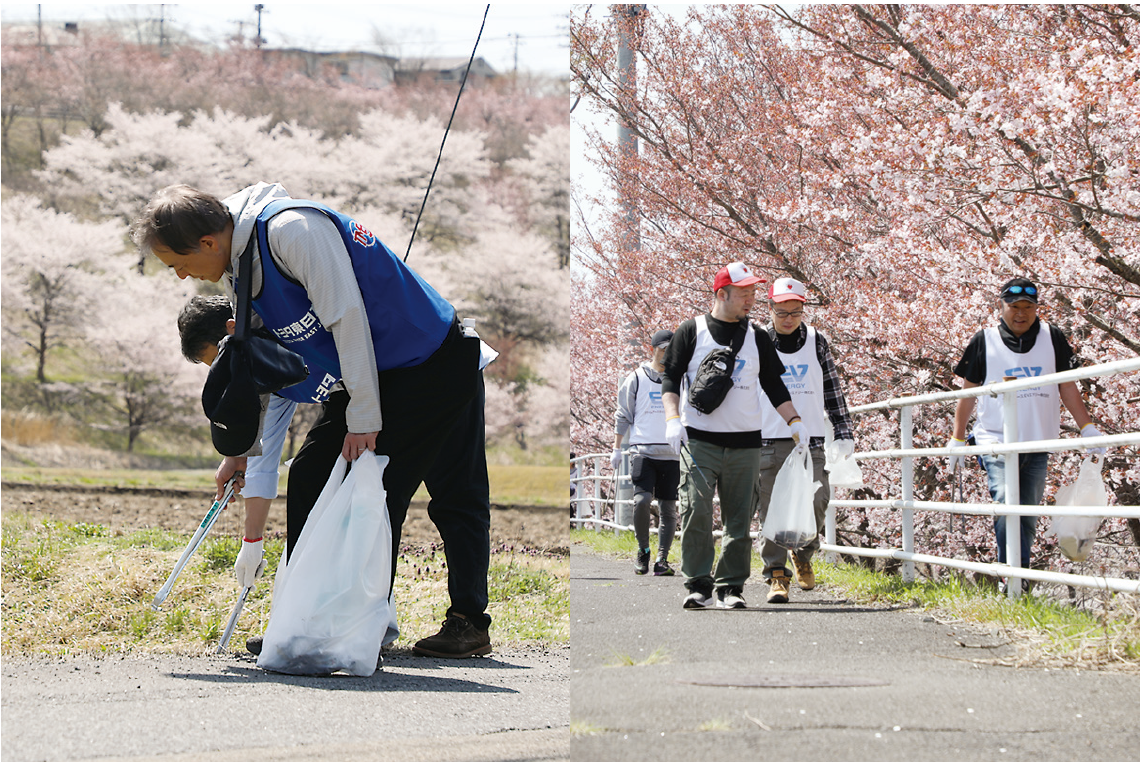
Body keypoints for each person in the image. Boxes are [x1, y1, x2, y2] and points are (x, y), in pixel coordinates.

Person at [132, 182, 493, 658]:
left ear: (208, 242)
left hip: (429, 362)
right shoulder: (238, 264)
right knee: (309, 472)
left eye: (178, 264)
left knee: (391, 488)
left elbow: (347, 317)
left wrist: (364, 416)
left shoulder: (291, 231)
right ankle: (304, 619)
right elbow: (251, 361)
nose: (181, 276)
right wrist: (240, 452)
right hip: (375, 374)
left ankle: (392, 626)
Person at [661, 262, 806, 610]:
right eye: (745, 293)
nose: (751, 299)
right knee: (695, 509)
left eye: (754, 292)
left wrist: (795, 421)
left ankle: (730, 587)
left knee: (739, 519)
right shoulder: (690, 330)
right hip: (699, 439)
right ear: (721, 294)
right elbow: (671, 378)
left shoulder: (756, 336)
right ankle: (698, 583)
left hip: (746, 442)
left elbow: (774, 384)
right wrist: (671, 419)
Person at [948, 277, 1103, 579]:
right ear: (1001, 306)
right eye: (1014, 306)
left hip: (1037, 441)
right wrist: (957, 436)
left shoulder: (1051, 336)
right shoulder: (985, 339)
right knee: (1007, 501)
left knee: (1027, 514)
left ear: (1036, 309)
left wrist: (1086, 427)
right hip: (996, 440)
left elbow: (1067, 386)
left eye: (1028, 307)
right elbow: (967, 392)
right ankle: (1012, 578)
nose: (1021, 313)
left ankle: (1021, 579)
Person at [755, 278, 856, 604]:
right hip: (769, 437)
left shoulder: (816, 341)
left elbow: (831, 387)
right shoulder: (757, 341)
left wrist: (842, 429)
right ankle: (777, 574)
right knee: (771, 510)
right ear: (769, 308)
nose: (788, 318)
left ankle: (803, 552)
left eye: (795, 312)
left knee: (818, 499)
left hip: (811, 437)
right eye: (782, 311)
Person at [613, 329, 680, 576]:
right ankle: (643, 550)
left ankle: (663, 559)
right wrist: (616, 448)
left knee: (668, 507)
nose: (667, 355)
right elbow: (623, 414)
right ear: (654, 349)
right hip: (643, 451)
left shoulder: (679, 378)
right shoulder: (637, 378)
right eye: (663, 350)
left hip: (672, 453)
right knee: (641, 501)